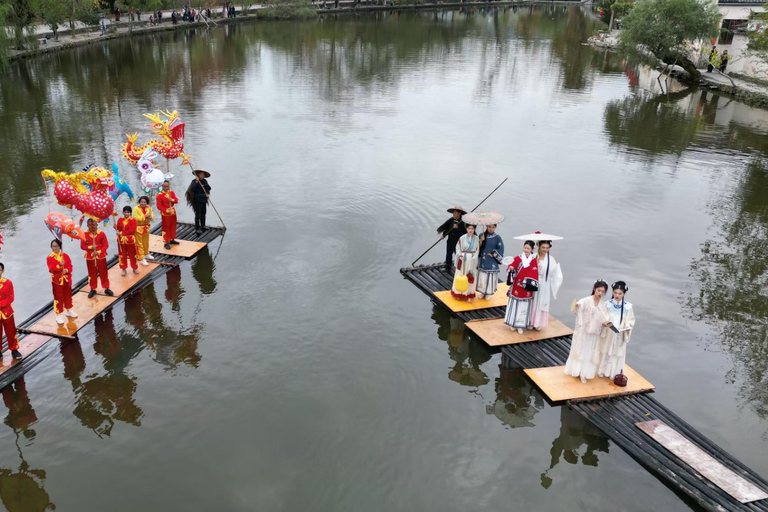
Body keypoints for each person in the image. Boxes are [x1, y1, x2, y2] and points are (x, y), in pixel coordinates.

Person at [564, 280, 611, 383]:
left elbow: (605, 318)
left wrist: (605, 324)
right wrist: (577, 306)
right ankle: (577, 371)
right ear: (594, 289)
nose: (600, 293)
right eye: (599, 290)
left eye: (603, 292)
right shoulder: (586, 300)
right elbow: (578, 308)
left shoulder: (603, 305)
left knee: (590, 352)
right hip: (584, 332)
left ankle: (585, 373)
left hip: (594, 333)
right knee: (583, 351)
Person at [596, 281, 635, 380]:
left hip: (619, 333)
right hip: (609, 332)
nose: (617, 295)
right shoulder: (607, 304)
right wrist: (604, 323)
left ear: (623, 294)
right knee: (606, 350)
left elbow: (630, 319)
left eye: (620, 293)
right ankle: (602, 370)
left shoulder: (627, 306)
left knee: (616, 353)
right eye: (615, 293)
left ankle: (614, 372)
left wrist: (627, 326)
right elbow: (602, 317)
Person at [503, 240, 539, 334]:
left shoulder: (534, 260)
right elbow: (511, 267)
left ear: (532, 249)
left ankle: (520, 324)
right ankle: (512, 323)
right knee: (515, 305)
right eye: (525, 248)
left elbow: (534, 272)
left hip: (526, 287)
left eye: (528, 248)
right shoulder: (517, 258)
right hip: (517, 286)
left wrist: (527, 280)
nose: (526, 250)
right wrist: (511, 269)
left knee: (524, 307)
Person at [529, 240, 563, 331]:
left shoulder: (550, 259)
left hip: (544, 282)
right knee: (532, 301)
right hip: (533, 281)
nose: (545, 249)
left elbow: (554, 272)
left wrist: (555, 269)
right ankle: (529, 321)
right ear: (539, 246)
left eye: (547, 248)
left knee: (540, 301)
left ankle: (537, 322)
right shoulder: (533, 256)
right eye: (543, 247)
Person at [81, 219, 114, 298]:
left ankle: (106, 287)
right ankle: (93, 288)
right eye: (90, 225)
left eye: (94, 225)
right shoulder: (84, 234)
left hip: (100, 256)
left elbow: (106, 245)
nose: (93, 227)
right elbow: (82, 246)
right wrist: (90, 247)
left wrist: (98, 252)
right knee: (92, 273)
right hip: (90, 257)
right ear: (87, 226)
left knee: (104, 272)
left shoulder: (101, 233)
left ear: (97, 225)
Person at [47, 239, 76, 325]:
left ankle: (69, 309)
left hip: (66, 279)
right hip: (57, 281)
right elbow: (51, 269)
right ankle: (58, 314)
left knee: (68, 294)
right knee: (58, 297)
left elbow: (70, 266)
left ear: (60, 247)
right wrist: (60, 265)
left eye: (56, 246)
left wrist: (66, 270)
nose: (54, 248)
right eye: (53, 246)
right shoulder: (50, 257)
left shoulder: (65, 255)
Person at [450, 224, 480, 301]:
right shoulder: (462, 238)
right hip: (463, 259)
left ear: (474, 229)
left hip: (472, 259)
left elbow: (477, 250)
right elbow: (458, 248)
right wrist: (459, 255)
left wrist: (475, 257)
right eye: (469, 228)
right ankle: (459, 293)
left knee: (470, 275)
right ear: (466, 229)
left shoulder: (477, 238)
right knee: (461, 275)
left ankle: (468, 293)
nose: (470, 230)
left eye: (472, 229)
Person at [0, 263, 22, 360]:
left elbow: (11, 297)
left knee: (11, 332)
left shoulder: (8, 283)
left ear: (3, 270)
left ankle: (14, 349)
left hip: (7, 311)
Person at [476, 224, 504, 299]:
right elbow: (478, 247)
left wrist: (493, 253)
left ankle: (488, 292)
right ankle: (482, 291)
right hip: (483, 259)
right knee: (482, 276)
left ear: (495, 227)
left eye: (493, 227)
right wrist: (480, 241)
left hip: (491, 260)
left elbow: (500, 248)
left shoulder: (497, 237)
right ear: (486, 226)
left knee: (490, 276)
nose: (491, 229)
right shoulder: (481, 235)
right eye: (489, 227)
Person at [437, 206, 467, 272]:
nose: (453, 214)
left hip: (458, 242)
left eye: (455, 212)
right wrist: (444, 235)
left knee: (458, 255)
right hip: (450, 240)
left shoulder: (463, 222)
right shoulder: (451, 220)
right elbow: (448, 229)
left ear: (459, 213)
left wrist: (458, 228)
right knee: (448, 254)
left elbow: (465, 232)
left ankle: (461, 267)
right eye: (453, 212)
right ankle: (448, 267)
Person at [186, 170, 212, 235]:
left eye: (203, 175)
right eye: (201, 174)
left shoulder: (204, 181)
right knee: (198, 215)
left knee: (203, 213)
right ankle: (197, 228)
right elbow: (193, 188)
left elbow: (208, 188)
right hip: (197, 200)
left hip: (203, 200)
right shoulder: (194, 181)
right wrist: (197, 182)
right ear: (198, 175)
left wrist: (207, 194)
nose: (202, 176)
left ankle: (203, 225)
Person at [115, 206, 140, 276]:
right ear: (123, 212)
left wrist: (122, 233)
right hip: (121, 241)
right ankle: (123, 268)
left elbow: (132, 230)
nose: (126, 214)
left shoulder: (133, 220)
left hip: (130, 240)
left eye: (128, 212)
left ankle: (134, 267)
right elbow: (118, 228)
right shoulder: (120, 219)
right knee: (122, 254)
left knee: (133, 254)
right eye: (125, 212)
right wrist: (115, 227)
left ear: (130, 213)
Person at [157, 180, 180, 250]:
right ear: (162, 186)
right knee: (166, 227)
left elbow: (176, 200)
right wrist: (166, 210)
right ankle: (166, 242)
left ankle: (172, 238)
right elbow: (159, 206)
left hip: (172, 212)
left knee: (173, 225)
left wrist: (172, 200)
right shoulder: (159, 195)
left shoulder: (171, 192)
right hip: (165, 214)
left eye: (167, 186)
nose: (166, 188)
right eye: (164, 186)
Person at [133, 195, 155, 266]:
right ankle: (141, 258)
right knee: (139, 243)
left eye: (144, 202)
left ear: (147, 202)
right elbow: (136, 218)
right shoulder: (136, 209)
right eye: (141, 202)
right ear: (139, 202)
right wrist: (144, 216)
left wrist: (150, 217)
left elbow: (152, 218)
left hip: (146, 227)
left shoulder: (149, 208)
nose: (143, 203)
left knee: (146, 242)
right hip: (139, 228)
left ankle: (147, 253)